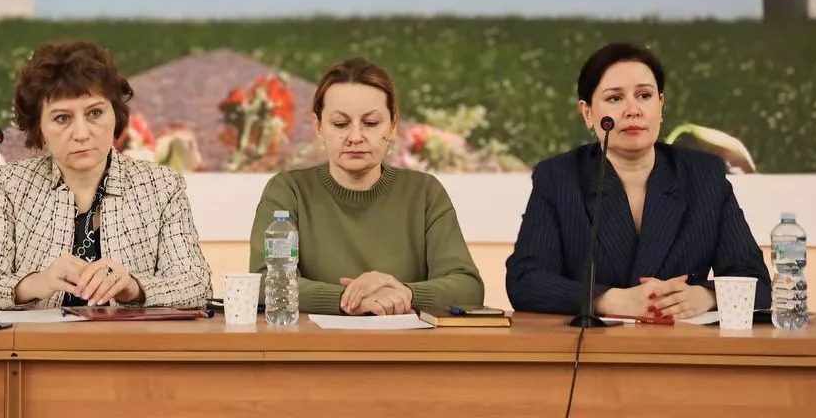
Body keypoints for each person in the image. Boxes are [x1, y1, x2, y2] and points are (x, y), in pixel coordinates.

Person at [505, 42, 772, 319]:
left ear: (660, 105)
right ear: (587, 113)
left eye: (644, 95)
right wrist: (606, 300)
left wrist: (706, 296)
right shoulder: (559, 177)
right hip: (593, 343)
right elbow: (525, 281)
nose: (633, 110)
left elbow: (757, 282)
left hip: (681, 341)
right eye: (614, 98)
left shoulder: (704, 175)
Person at [0, 40, 212, 310]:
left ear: (116, 115)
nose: (81, 133)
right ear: (39, 127)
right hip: (37, 339)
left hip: (130, 339)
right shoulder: (10, 185)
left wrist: (134, 288)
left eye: (95, 113)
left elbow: (198, 287)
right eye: (62, 118)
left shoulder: (162, 186)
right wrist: (34, 283)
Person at [247, 58, 484, 317]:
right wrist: (349, 300)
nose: (356, 137)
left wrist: (404, 293)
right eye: (340, 124)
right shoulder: (288, 190)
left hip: (406, 341)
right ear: (318, 127)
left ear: (393, 127)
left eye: (370, 123)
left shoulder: (424, 192)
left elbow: (468, 287)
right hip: (313, 341)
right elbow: (265, 282)